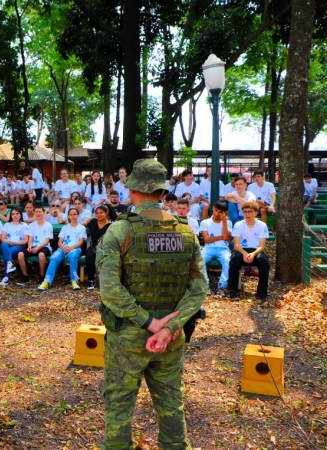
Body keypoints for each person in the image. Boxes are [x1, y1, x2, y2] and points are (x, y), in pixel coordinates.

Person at [97, 158, 207, 449]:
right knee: (172, 408)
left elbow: (109, 289)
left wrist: (147, 322)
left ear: (133, 189)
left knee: (119, 411)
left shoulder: (120, 231)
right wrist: (168, 326)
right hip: (170, 339)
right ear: (161, 193)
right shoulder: (186, 232)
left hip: (127, 337)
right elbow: (199, 289)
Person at [228, 201, 270, 302]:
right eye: (245, 212)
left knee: (264, 262)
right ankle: (233, 290)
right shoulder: (238, 225)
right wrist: (245, 253)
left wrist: (253, 254)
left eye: (250, 212)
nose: (247, 214)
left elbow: (262, 246)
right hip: (242, 250)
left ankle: (262, 292)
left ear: (256, 212)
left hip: (256, 250)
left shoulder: (262, 225)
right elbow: (236, 245)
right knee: (234, 260)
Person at [37, 207, 86, 290]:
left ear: (78, 215)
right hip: (63, 248)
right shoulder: (65, 227)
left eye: (75, 214)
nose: (73, 216)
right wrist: (63, 247)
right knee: (54, 258)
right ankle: (46, 281)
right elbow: (60, 242)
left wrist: (70, 248)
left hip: (75, 248)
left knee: (72, 256)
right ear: (68, 216)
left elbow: (80, 242)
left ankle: (74, 280)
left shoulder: (82, 228)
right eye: (71, 214)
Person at [200, 200, 232, 296]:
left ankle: (221, 286)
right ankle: (205, 285)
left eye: (220, 212)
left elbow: (227, 238)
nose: (217, 213)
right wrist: (222, 236)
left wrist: (224, 222)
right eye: (216, 210)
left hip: (223, 248)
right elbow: (206, 239)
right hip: (209, 248)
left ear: (225, 212)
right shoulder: (205, 222)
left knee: (228, 261)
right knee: (200, 260)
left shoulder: (228, 222)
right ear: (213, 208)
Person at [16, 205, 53, 285]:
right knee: (20, 254)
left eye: (40, 212)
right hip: (33, 246)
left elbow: (47, 241)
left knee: (41, 255)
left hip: (44, 246)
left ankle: (42, 275)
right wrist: (29, 246)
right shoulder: (31, 225)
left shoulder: (48, 225)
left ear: (43, 213)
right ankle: (25, 276)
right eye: (36, 212)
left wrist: (38, 248)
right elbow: (30, 238)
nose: (38, 213)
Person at [0, 207, 28, 286]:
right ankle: (9, 265)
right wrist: (8, 241)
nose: (15, 216)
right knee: (4, 245)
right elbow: (2, 238)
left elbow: (26, 241)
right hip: (7, 245)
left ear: (20, 214)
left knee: (8, 253)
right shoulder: (7, 224)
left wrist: (15, 242)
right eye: (13, 214)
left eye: (17, 214)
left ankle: (6, 277)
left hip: (19, 245)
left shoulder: (24, 225)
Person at [85, 205, 111, 290]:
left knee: (103, 255)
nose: (99, 215)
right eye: (97, 213)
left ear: (106, 213)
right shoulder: (93, 222)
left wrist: (100, 246)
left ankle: (104, 280)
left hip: (105, 246)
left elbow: (110, 239)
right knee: (89, 254)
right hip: (94, 245)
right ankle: (91, 279)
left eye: (101, 213)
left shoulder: (110, 225)